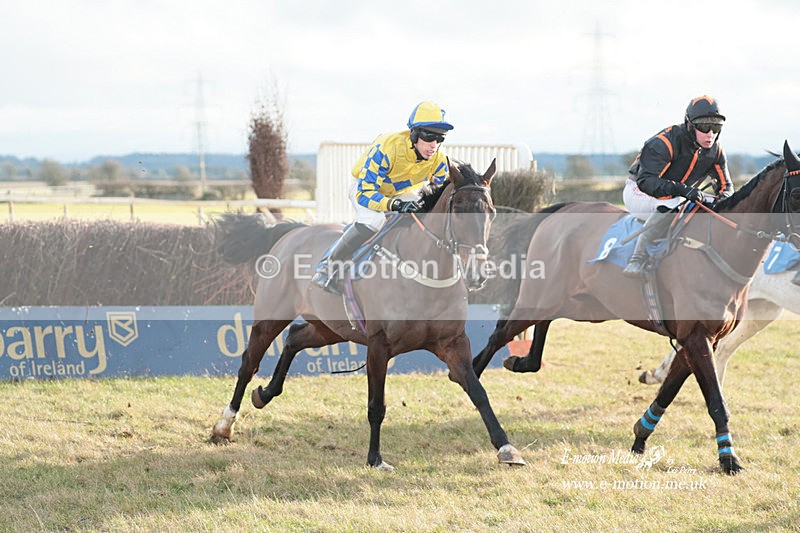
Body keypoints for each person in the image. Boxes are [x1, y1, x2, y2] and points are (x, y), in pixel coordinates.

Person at [312, 101, 453, 294]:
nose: (434, 145)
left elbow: (437, 195)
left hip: (400, 192)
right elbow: (365, 194)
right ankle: (328, 267)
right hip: (364, 187)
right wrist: (394, 204)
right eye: (429, 136)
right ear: (414, 134)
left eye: (440, 139)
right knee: (374, 219)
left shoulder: (439, 160)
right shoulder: (387, 147)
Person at [622, 95, 733, 277]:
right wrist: (682, 190)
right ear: (689, 125)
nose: (710, 134)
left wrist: (725, 201)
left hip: (677, 194)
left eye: (716, 127)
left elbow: (726, 188)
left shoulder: (716, 150)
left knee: (711, 202)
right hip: (639, 191)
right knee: (675, 201)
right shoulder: (664, 142)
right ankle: (638, 257)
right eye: (705, 127)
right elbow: (647, 182)